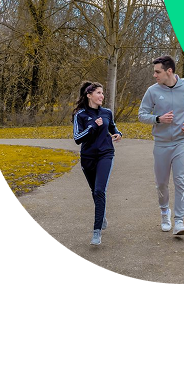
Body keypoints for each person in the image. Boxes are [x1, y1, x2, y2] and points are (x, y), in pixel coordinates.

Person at [138, 55, 184, 235]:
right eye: (154, 72)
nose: (154, 75)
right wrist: (158, 119)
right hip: (161, 144)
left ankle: (179, 222)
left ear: (169, 71)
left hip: (181, 142)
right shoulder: (152, 91)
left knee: (181, 181)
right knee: (161, 183)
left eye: (157, 72)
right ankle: (164, 212)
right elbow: (141, 114)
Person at [70, 80, 122, 247]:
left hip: (106, 154)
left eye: (102, 93)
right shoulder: (81, 115)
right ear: (89, 95)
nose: (102, 96)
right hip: (88, 157)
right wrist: (92, 125)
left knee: (100, 190)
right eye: (99, 93)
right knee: (95, 191)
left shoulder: (107, 112)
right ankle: (102, 216)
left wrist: (117, 133)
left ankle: (96, 231)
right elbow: (77, 138)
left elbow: (112, 127)